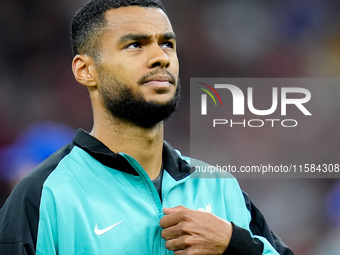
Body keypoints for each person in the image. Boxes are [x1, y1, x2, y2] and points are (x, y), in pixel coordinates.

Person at [0, 0, 294, 254]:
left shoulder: (221, 188)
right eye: (134, 45)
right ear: (85, 70)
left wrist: (235, 245)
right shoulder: (43, 195)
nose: (160, 57)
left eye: (167, 43)